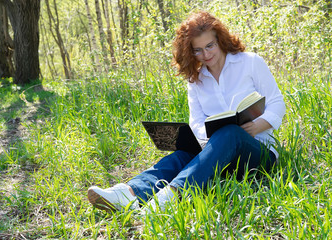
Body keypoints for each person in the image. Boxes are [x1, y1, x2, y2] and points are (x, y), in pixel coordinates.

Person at [87, 11, 286, 212]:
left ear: (220, 40)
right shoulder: (196, 80)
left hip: (257, 155)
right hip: (216, 156)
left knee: (230, 134)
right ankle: (129, 193)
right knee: (183, 155)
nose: (206, 55)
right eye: (198, 50)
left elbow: (278, 103)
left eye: (210, 46)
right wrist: (205, 138)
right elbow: (197, 122)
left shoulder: (250, 62)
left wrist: (255, 127)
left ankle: (169, 199)